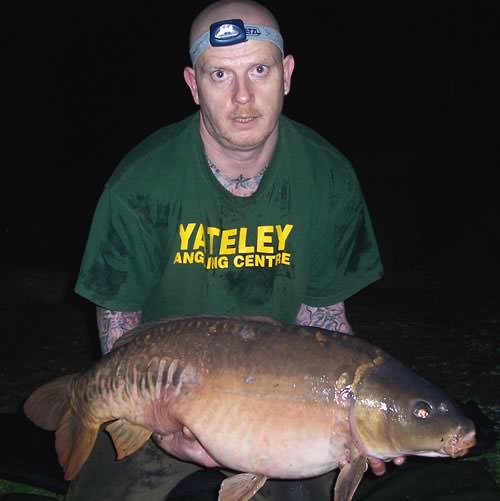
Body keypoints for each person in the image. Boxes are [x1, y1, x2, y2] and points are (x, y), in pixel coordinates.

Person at [67, 1, 404, 499]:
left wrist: (374, 412)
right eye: (220, 74)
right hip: (167, 392)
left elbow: (324, 321)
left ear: (287, 74)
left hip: (280, 401)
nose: (243, 97)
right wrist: (162, 424)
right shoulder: (141, 183)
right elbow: (118, 327)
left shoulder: (328, 178)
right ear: (192, 84)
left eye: (260, 70)